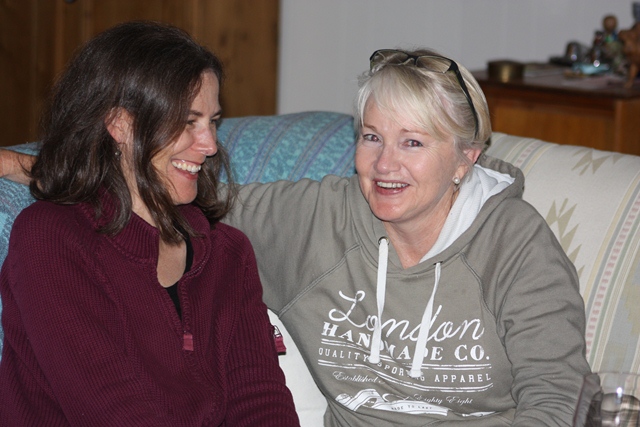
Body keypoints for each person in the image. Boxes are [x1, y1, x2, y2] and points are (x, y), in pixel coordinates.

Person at [1, 47, 591, 426]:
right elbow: (167, 190)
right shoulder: (310, 220)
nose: (385, 164)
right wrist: (46, 168)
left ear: (466, 157)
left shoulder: (515, 242)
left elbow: (554, 397)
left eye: (413, 142)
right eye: (371, 137)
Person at [0, 21, 299, 426]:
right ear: (120, 125)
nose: (210, 145)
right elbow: (114, 410)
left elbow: (260, 400)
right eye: (188, 121)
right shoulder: (51, 238)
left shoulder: (228, 253)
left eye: (212, 121)